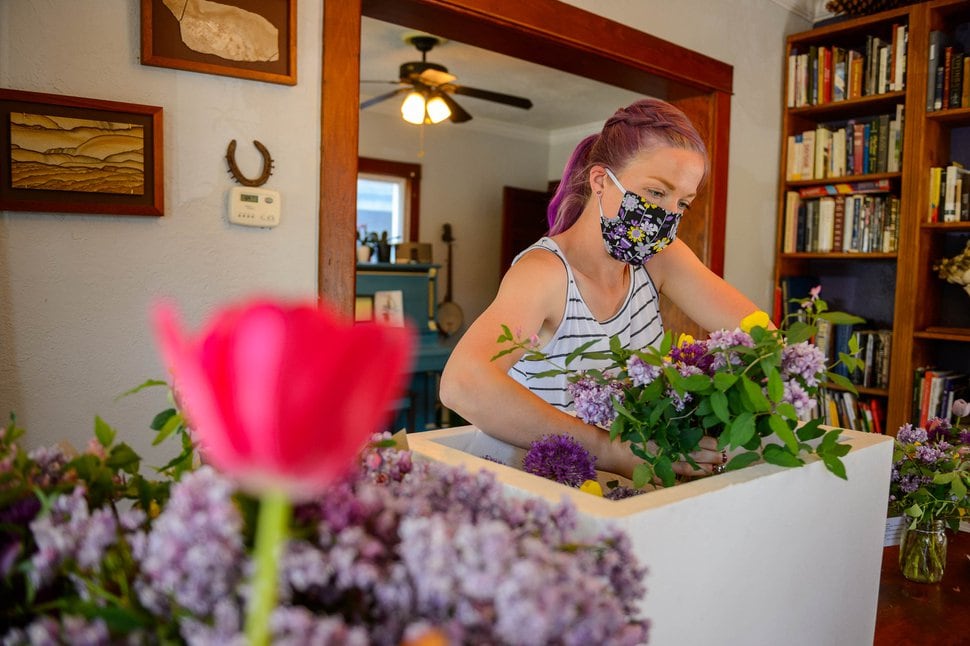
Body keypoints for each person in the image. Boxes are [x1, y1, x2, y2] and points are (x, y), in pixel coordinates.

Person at [438, 98, 763, 480]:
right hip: (530, 484)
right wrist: (610, 450)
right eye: (656, 193)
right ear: (601, 182)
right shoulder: (544, 274)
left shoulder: (661, 258)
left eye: (683, 203)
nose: (668, 216)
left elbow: (758, 335)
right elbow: (462, 384)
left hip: (614, 487)